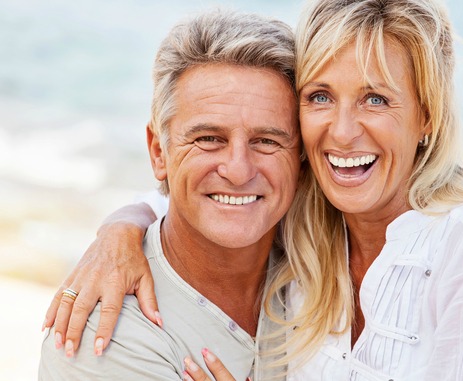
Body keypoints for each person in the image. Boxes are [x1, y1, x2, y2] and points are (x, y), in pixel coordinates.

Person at [44, 0, 463, 379]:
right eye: (321, 96)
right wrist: (119, 231)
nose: (344, 131)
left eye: (375, 98)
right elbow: (204, 194)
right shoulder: (312, 229)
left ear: (427, 117)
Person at [38, 9, 300, 380]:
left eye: (267, 141)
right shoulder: (104, 338)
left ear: (301, 158)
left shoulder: (320, 268)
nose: (239, 171)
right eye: (209, 139)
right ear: (159, 152)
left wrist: (124, 221)